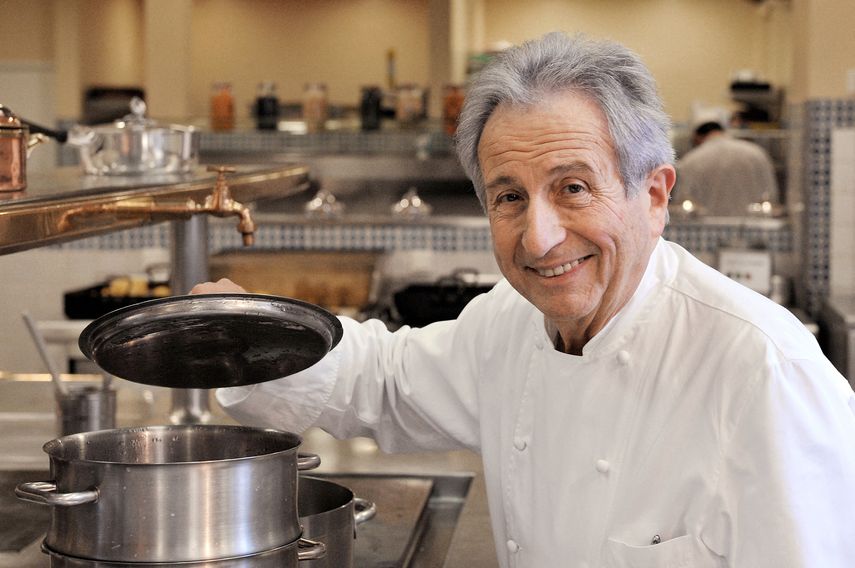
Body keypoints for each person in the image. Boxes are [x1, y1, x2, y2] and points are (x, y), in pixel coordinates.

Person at [193, 32, 855, 567]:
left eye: (572, 188)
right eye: (509, 196)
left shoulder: (763, 374)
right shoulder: (510, 326)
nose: (538, 238)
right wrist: (251, 334)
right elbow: (384, 379)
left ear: (652, 197)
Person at [675, 120, 779, 216]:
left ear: (697, 138)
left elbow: (682, 203)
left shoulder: (691, 160)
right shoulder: (757, 153)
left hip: (708, 230)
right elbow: (772, 196)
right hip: (754, 228)